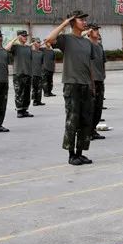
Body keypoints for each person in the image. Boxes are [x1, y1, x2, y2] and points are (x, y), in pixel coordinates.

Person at [44, 11, 94, 166]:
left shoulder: (87, 43)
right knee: (73, 120)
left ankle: (80, 153)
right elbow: (49, 40)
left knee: (85, 121)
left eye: (85, 20)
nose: (84, 22)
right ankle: (71, 155)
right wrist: (65, 23)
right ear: (73, 22)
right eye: (81, 20)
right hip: (72, 85)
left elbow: (89, 66)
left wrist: (92, 86)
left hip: (86, 85)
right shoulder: (66, 40)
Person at [5, 30, 34, 118]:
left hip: (28, 73)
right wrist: (15, 39)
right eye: (23, 36)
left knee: (27, 93)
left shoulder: (28, 47)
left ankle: (25, 110)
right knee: (19, 92)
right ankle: (19, 110)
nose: (25, 37)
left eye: (26, 36)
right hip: (18, 73)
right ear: (19, 36)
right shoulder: (15, 47)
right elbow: (6, 49)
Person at [87, 24, 106, 140]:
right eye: (94, 30)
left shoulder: (100, 46)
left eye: (97, 30)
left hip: (99, 79)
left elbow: (103, 61)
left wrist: (103, 74)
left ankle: (93, 130)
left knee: (98, 107)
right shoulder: (86, 44)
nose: (97, 32)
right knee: (90, 107)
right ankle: (87, 132)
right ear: (89, 32)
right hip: (90, 80)